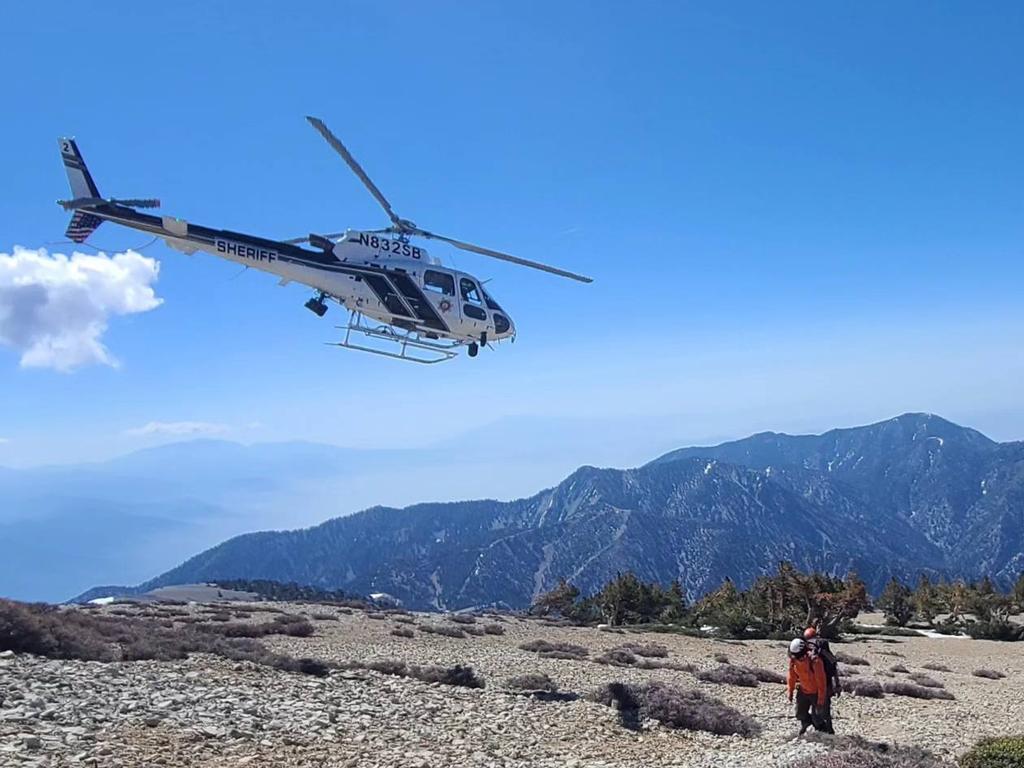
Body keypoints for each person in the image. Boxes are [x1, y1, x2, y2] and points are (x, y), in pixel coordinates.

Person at [787, 637, 827, 735]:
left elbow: (821, 682)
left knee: (817, 717)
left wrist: (820, 701)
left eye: (799, 656)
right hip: (803, 691)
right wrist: (790, 691)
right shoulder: (793, 660)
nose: (798, 658)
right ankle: (807, 723)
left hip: (816, 693)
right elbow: (791, 677)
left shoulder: (815, 661)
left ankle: (824, 733)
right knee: (799, 714)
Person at [804, 626, 839, 734]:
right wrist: (837, 685)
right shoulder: (824, 651)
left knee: (816, 711)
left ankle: (825, 733)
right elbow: (834, 667)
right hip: (826, 684)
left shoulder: (806, 650)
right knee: (824, 710)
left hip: (811, 686)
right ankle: (827, 732)